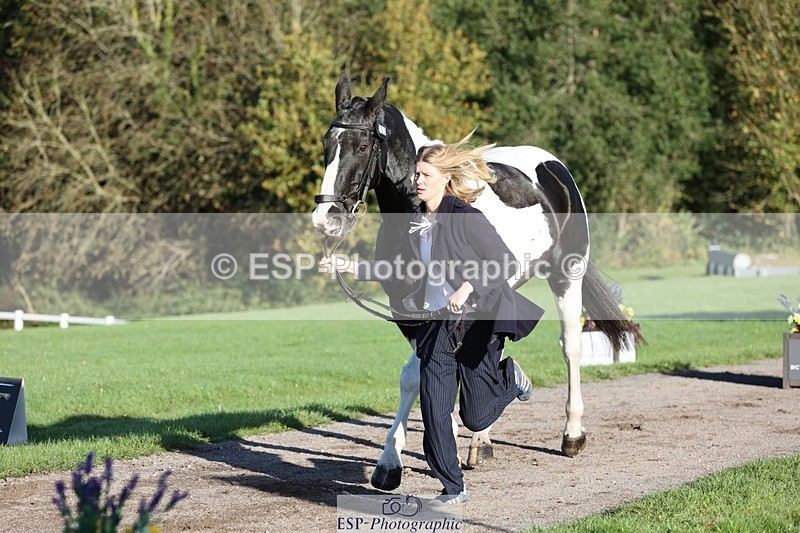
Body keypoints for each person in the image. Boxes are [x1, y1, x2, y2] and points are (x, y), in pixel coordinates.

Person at [322, 136, 543, 509]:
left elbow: (505, 262)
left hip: (476, 322)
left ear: (444, 178)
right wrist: (352, 267)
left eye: (425, 174)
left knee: (475, 417)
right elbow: (401, 269)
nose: (417, 180)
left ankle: (510, 378)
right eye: (416, 174)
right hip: (437, 325)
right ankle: (452, 488)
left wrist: (470, 286)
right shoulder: (417, 222)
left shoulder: (467, 218)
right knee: (434, 406)